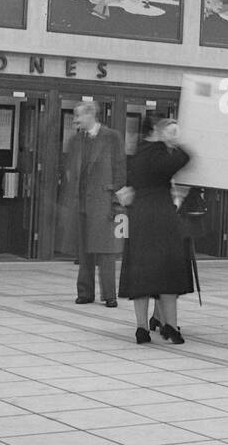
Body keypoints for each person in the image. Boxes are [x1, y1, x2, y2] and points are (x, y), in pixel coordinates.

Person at [119, 115, 195, 344]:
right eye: (171, 131)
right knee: (167, 271)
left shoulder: (137, 153)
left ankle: (141, 328)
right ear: (159, 132)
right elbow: (186, 157)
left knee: (140, 271)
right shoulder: (162, 154)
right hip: (162, 216)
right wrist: (173, 143)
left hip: (140, 215)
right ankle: (171, 326)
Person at [57, 101, 127, 307]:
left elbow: (120, 170)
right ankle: (85, 293)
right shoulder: (76, 141)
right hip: (81, 204)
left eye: (78, 116)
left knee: (105, 251)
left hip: (104, 202)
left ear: (90, 115)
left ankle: (109, 295)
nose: (76, 121)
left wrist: (116, 202)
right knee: (83, 250)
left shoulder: (112, 137)